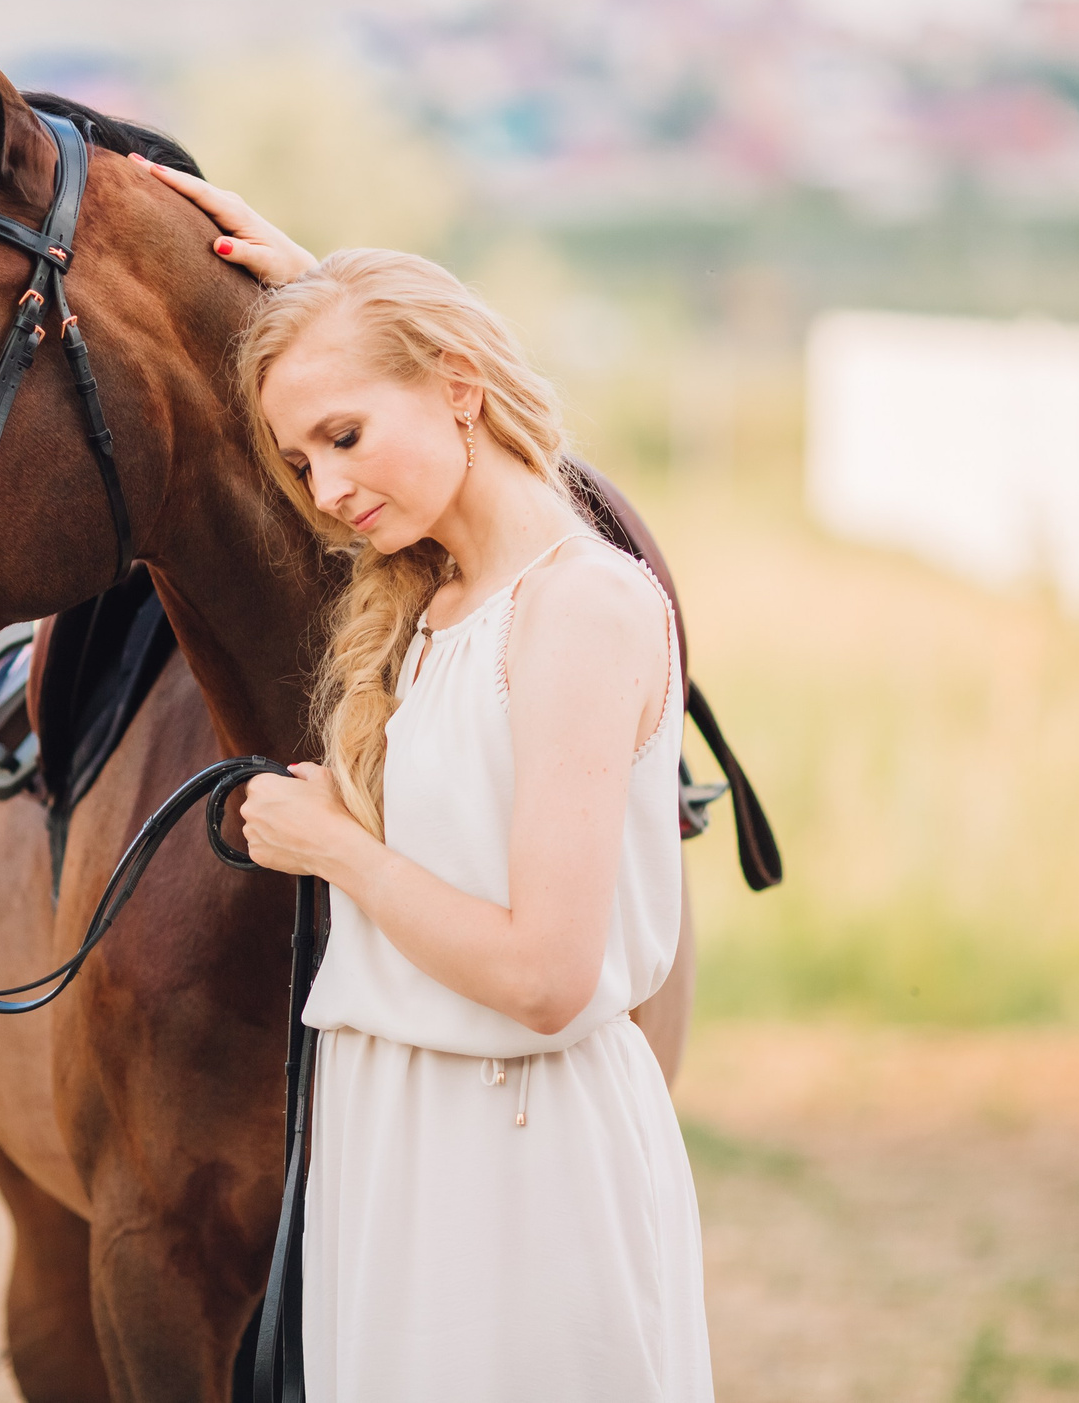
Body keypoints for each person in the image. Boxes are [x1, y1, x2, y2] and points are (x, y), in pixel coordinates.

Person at [126, 156, 715, 1402]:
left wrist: (337, 848)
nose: (328, 492)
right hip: (396, 1133)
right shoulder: (430, 605)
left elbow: (546, 977)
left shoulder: (580, 608)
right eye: (299, 463)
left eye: (345, 437)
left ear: (458, 391)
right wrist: (316, 300)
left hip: (517, 1150)